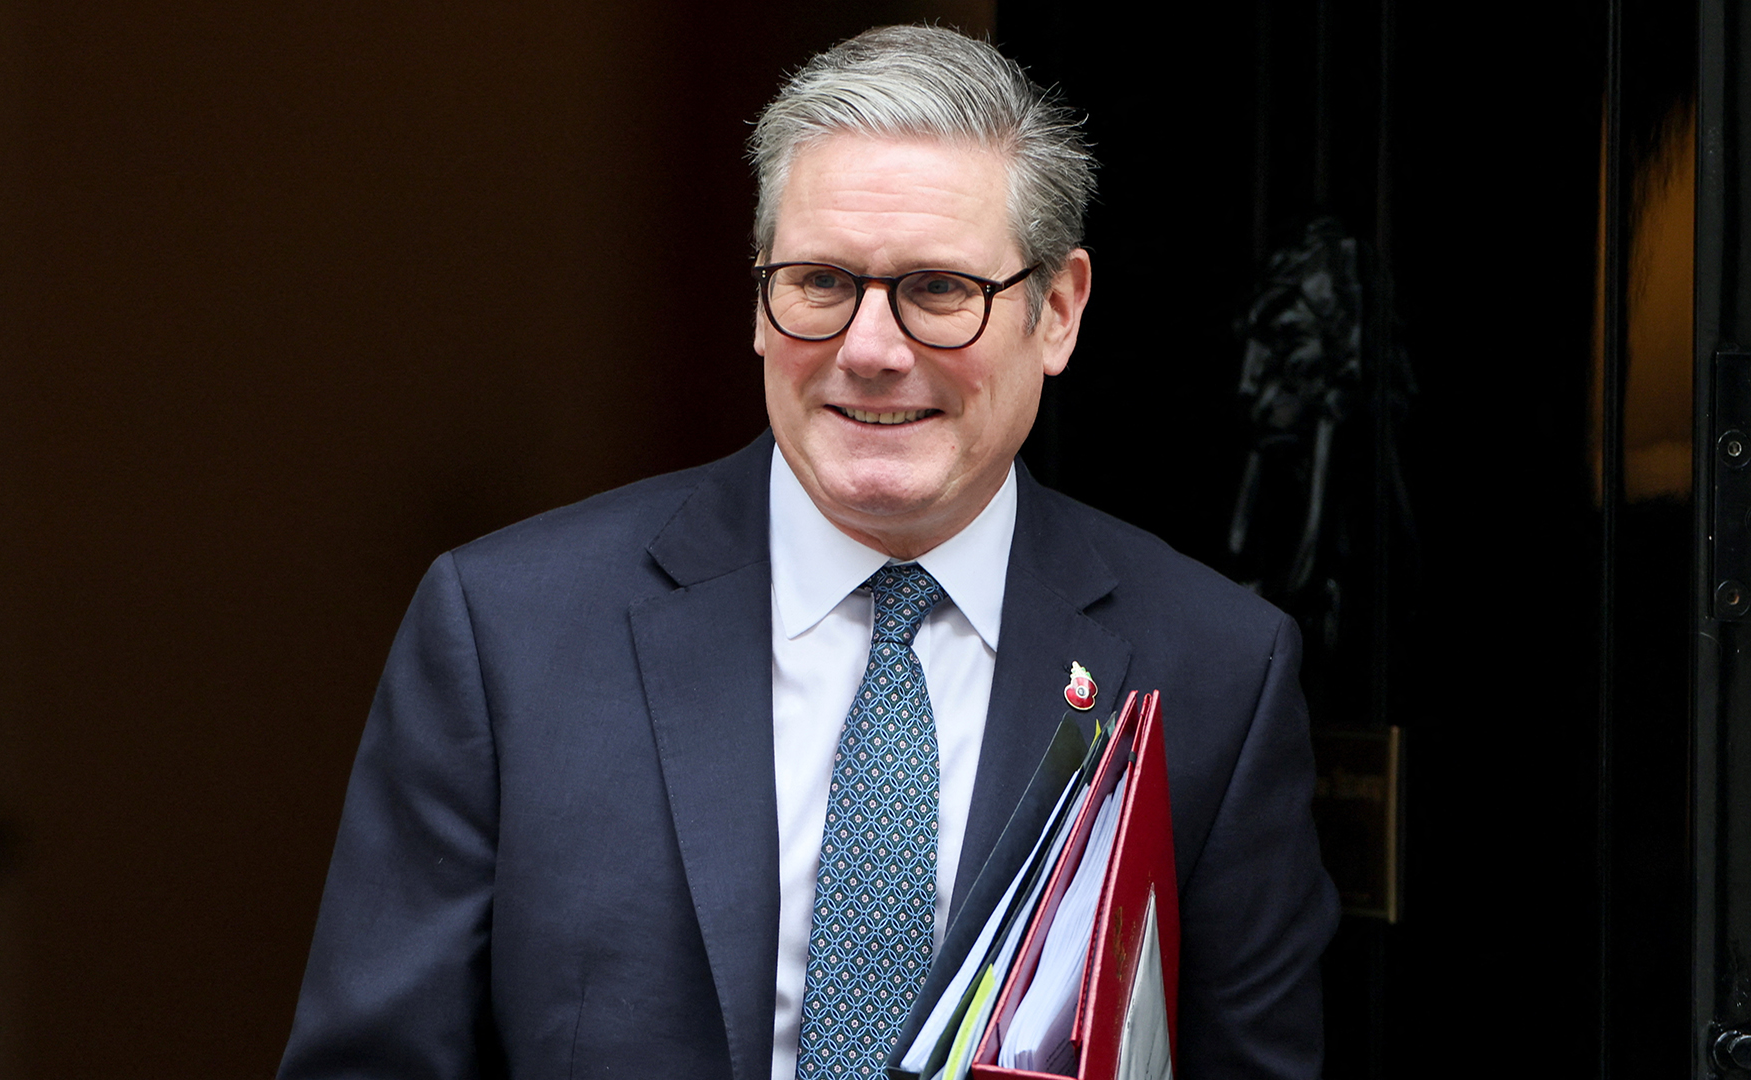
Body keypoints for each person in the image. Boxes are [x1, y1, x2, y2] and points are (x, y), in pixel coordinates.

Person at [278, 24, 1336, 1080]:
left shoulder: (1215, 671)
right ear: (759, 299)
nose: (870, 350)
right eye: (821, 281)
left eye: (939, 289)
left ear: (1055, 311)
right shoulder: (510, 632)